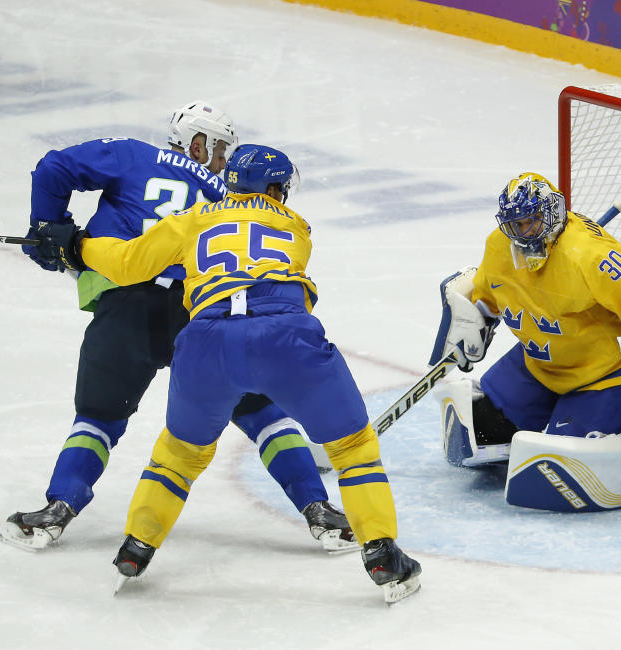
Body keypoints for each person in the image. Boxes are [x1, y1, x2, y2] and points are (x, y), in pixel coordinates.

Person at [38, 144, 421, 603]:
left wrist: (75, 244)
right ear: (276, 190)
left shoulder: (193, 219)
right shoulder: (297, 227)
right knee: (352, 445)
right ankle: (381, 554)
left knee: (176, 457)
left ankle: (137, 547)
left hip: (206, 343)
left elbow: (126, 264)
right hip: (286, 338)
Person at [2, 101, 356, 554]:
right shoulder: (229, 197)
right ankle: (319, 511)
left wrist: (50, 229)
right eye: (222, 149)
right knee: (260, 411)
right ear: (197, 142)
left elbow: (53, 168)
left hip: (128, 308)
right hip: (206, 317)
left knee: (99, 417)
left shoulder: (132, 155)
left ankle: (57, 510)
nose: (226, 161)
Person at [428, 173, 621, 511]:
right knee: (477, 434)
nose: (522, 233)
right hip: (535, 365)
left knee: (558, 464)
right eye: (514, 224)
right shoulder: (499, 247)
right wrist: (474, 315)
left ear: (550, 214)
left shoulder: (589, 256)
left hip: (597, 377)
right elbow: (489, 293)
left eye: (530, 222)